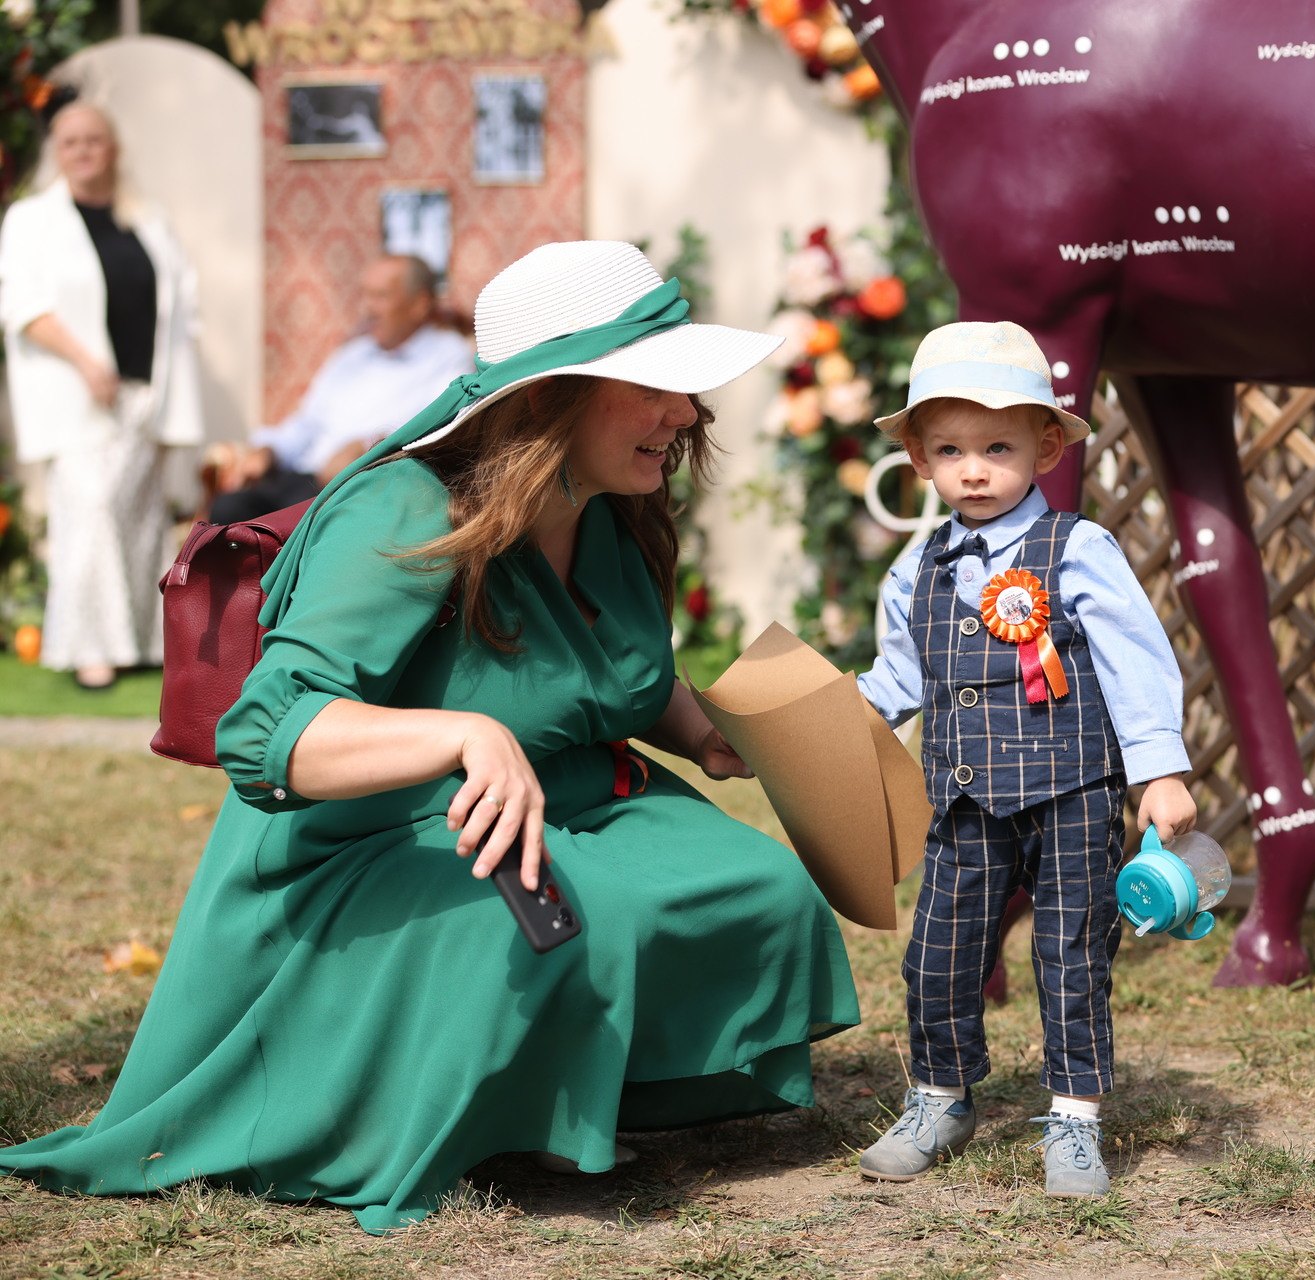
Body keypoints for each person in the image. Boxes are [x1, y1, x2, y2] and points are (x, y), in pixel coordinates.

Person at [0, 242, 859, 1233]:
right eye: (652, 386)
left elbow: (603, 666)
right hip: (372, 843)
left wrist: (701, 727)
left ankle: (575, 1083)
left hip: (568, 805)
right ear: (549, 398)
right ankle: (487, 1102)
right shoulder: (406, 508)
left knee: (763, 890)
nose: (685, 413)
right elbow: (270, 730)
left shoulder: (612, 507)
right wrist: (463, 736)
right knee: (577, 923)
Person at [853, 321, 1198, 1197]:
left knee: (1071, 953)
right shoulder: (915, 571)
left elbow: (1133, 660)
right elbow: (899, 675)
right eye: (951, 450)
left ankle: (1074, 1119)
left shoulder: (1078, 550)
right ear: (920, 458)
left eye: (997, 448)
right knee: (939, 951)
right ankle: (940, 1096)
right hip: (965, 802)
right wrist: (827, 723)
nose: (973, 470)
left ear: (1046, 448)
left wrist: (1160, 770)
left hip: (1072, 794)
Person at [0, 99, 204, 690]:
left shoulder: (147, 218)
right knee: (88, 511)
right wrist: (87, 362)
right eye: (70, 142)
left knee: (138, 518)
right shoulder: (32, 220)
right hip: (77, 394)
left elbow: (180, 304)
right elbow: (23, 306)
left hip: (146, 394)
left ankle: (140, 643)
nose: (82, 151)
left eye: (93, 140)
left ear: (112, 148)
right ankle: (89, 649)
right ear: (57, 152)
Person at [206, 254, 472, 522]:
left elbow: (437, 428)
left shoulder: (448, 356)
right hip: (302, 478)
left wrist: (367, 447)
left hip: (359, 488)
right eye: (366, 295)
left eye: (381, 296)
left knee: (288, 521)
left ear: (420, 304)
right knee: (228, 509)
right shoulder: (353, 355)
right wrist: (269, 450)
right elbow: (307, 423)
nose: (369, 309)